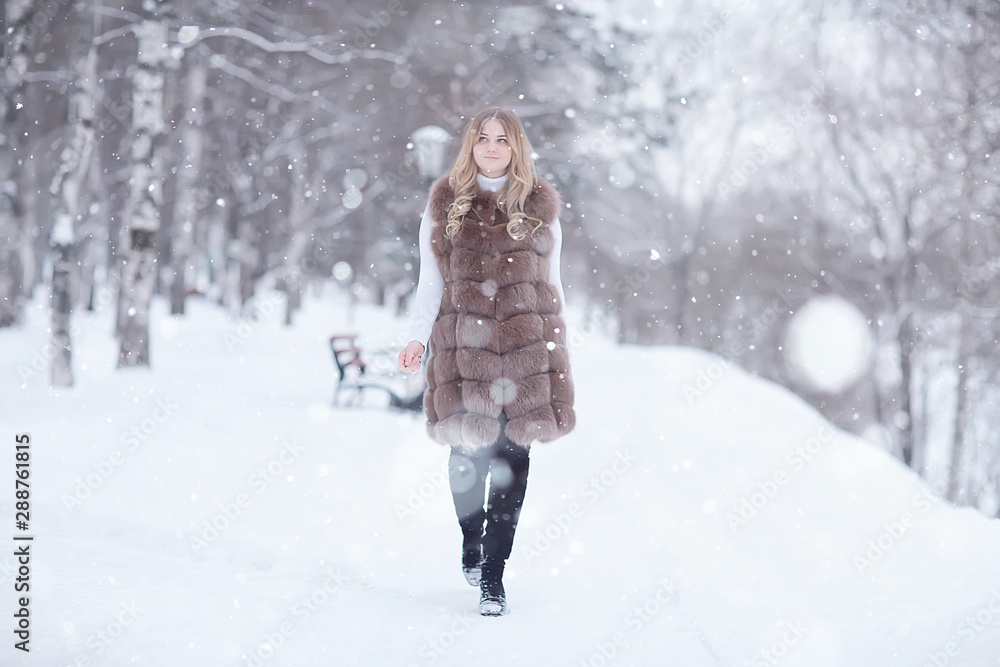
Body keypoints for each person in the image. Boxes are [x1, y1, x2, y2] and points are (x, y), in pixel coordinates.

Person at [397, 106, 575, 616]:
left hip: (524, 355)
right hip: (463, 352)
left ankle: (493, 576)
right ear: (470, 146)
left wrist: (560, 354)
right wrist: (416, 339)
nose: (492, 147)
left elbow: (552, 286)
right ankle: (470, 537)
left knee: (513, 462)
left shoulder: (540, 207)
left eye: (503, 139)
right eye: (483, 139)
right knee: (466, 461)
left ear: (517, 147)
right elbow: (430, 282)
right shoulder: (445, 205)